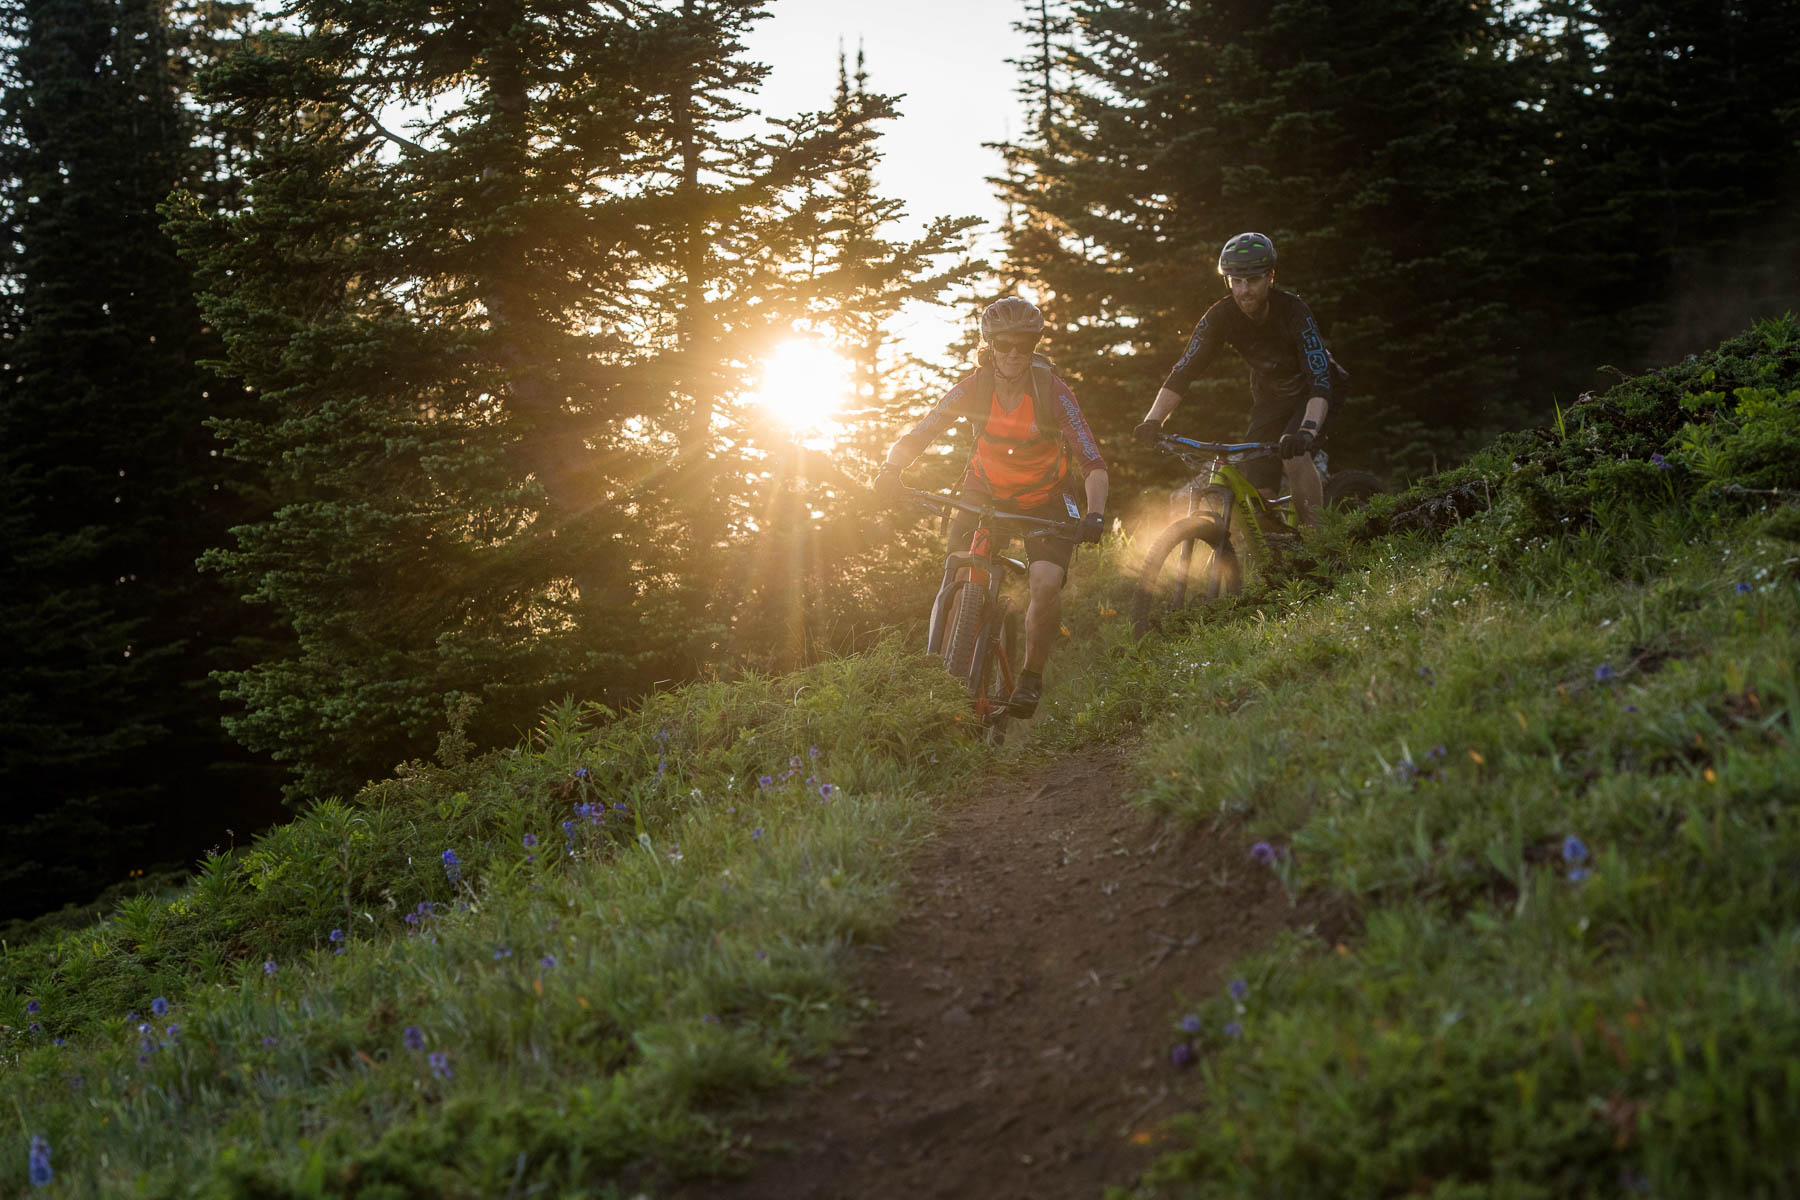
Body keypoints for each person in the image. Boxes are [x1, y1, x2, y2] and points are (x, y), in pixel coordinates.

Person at [872, 297, 1109, 717]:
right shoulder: (975, 387)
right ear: (989, 346)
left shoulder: (1051, 390)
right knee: (957, 569)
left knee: (1045, 584)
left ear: (1034, 347)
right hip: (984, 491)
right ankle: (944, 668)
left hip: (1048, 498)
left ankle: (1031, 678)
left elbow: (1091, 460)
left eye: (1023, 346)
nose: (1014, 354)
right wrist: (892, 468)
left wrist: (1095, 514)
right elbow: (924, 430)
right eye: (1004, 345)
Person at [1134, 232, 1346, 528]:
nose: (1244, 290)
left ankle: (1318, 541)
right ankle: (1279, 554)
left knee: (1294, 454)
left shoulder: (1294, 311)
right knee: (1258, 491)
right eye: (1236, 281)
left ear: (1270, 277)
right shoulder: (1220, 316)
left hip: (1318, 393)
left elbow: (1320, 379)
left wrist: (1307, 431)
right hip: (1271, 397)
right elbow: (1183, 372)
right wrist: (1153, 420)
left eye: (1253, 280)